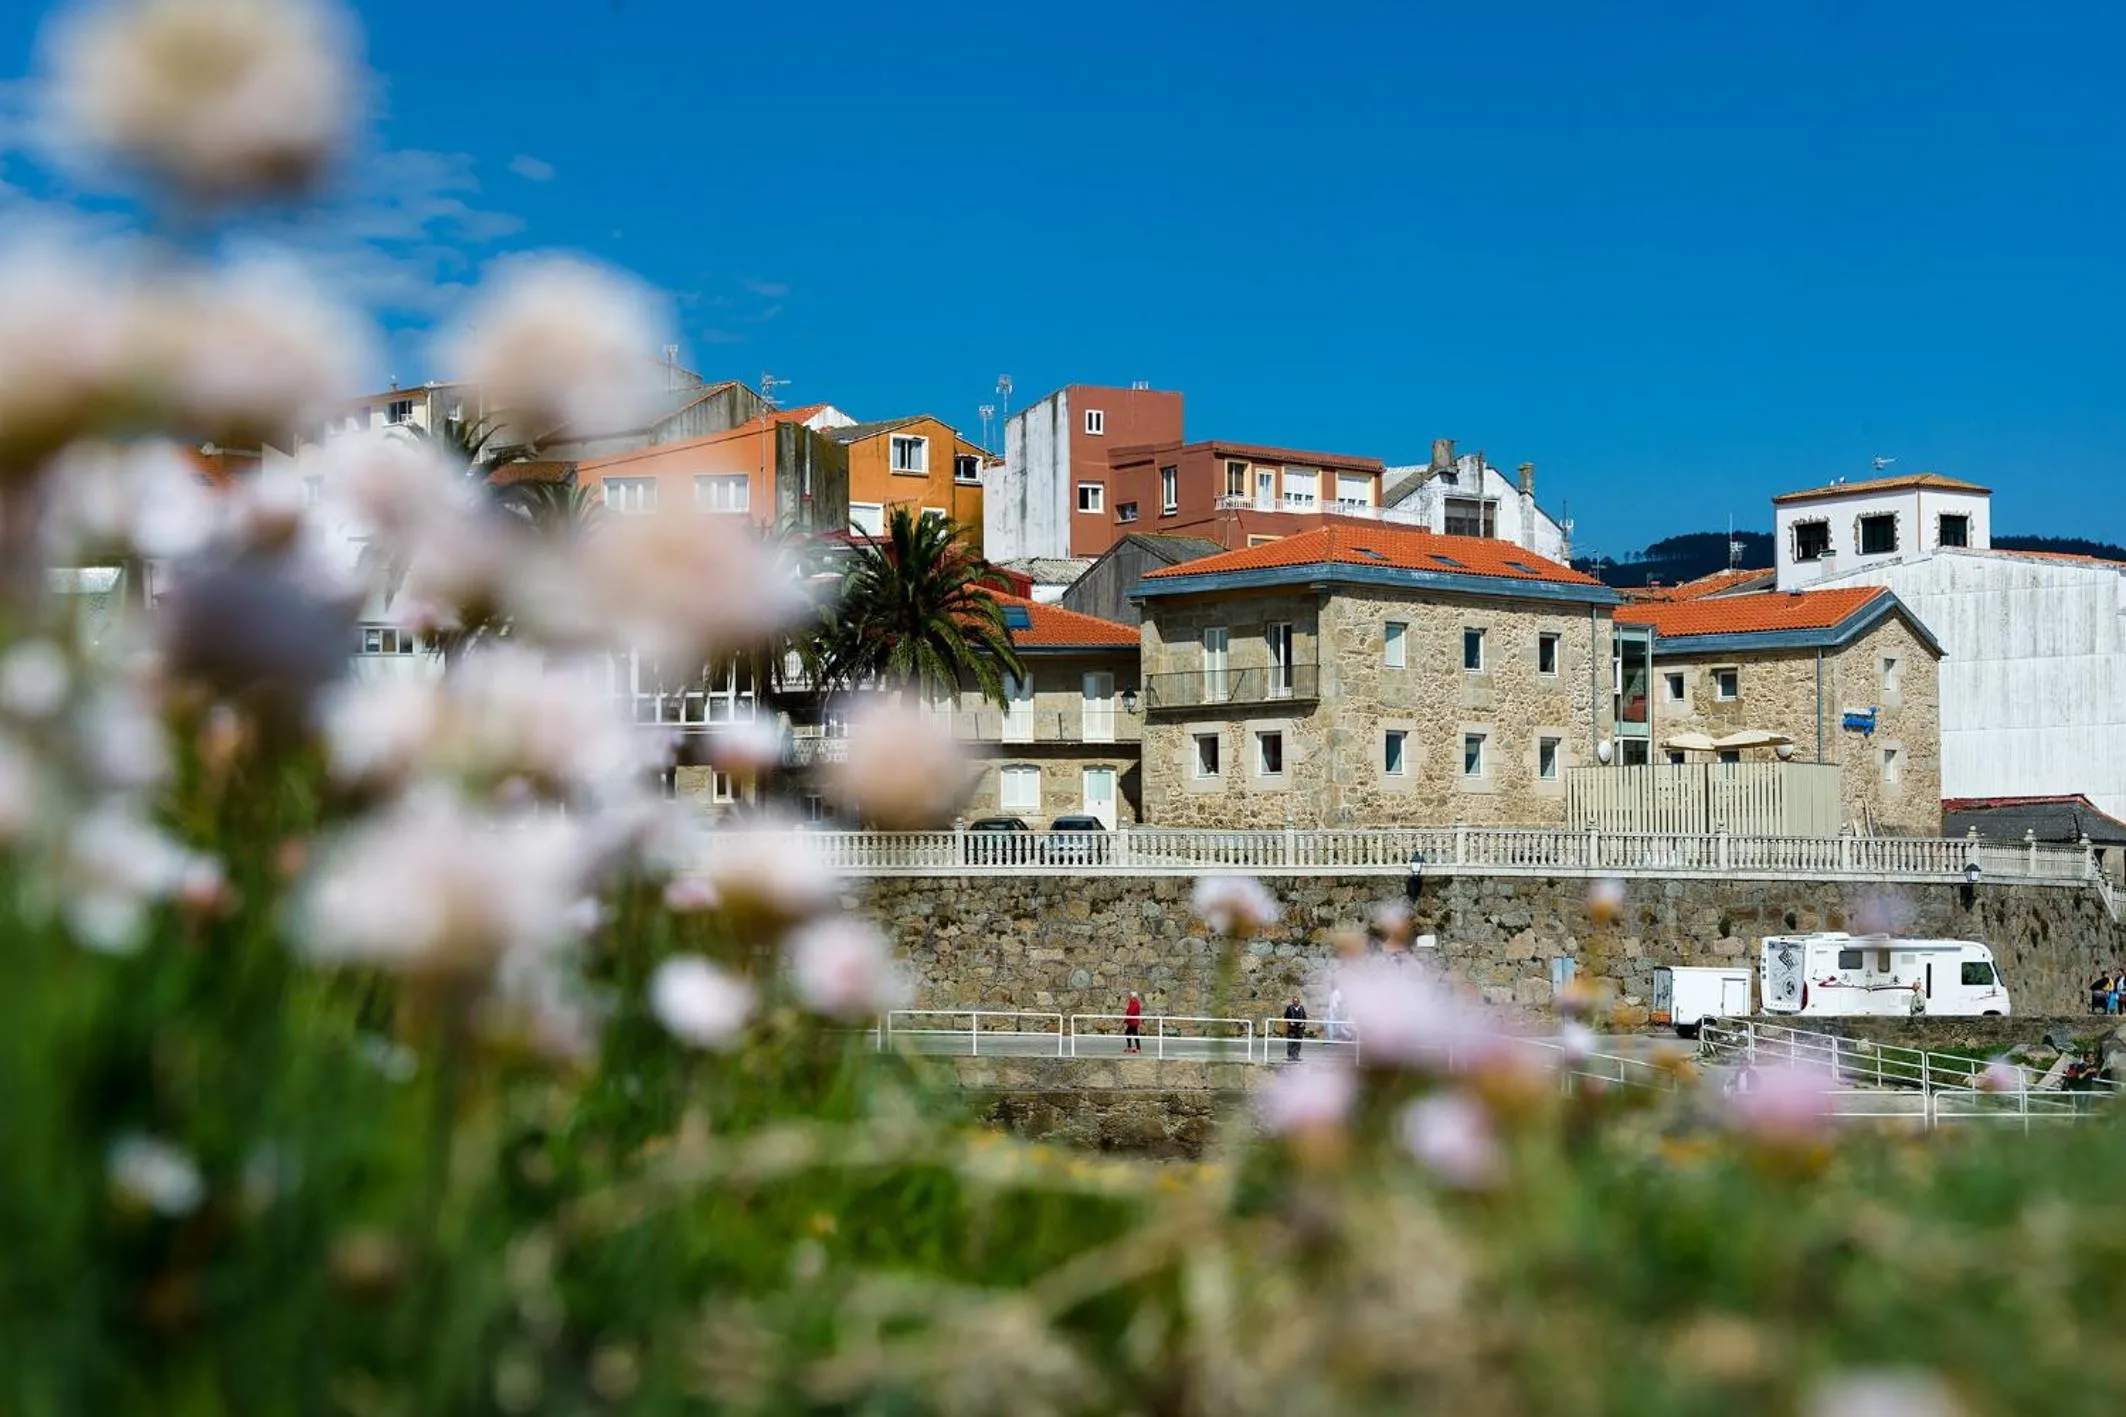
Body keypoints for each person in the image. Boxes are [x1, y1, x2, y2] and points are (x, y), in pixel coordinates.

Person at [1283, 995, 1308, 1062]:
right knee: (1291, 1041)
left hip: (1300, 1028)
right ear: (1292, 1002)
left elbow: (1304, 1017)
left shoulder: (1302, 1008)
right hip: (1292, 1028)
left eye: (1297, 1001)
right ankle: (1290, 1055)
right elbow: (1285, 1017)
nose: (1295, 1003)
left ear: (1299, 1002)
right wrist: (1290, 1022)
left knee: (1298, 1042)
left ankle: (1296, 1055)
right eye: (1294, 1001)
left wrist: (1303, 1023)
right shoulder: (1289, 1008)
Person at [1123, 990, 1143, 1054]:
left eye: (1130, 996)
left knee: (1133, 1034)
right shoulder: (1131, 1003)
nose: (1129, 997)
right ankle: (1133, 1047)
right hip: (1131, 1021)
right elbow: (1128, 1011)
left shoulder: (1136, 1004)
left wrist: (1125, 1020)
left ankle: (1137, 1048)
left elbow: (1131, 1013)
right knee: (1130, 1033)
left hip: (1133, 1022)